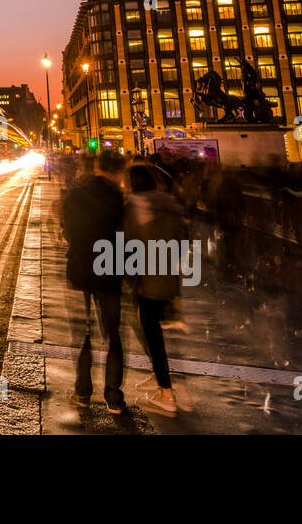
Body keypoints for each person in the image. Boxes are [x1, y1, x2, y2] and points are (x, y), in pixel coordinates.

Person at [63, 149, 127, 414]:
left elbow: (67, 231)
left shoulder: (75, 195)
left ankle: (82, 392)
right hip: (110, 270)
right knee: (113, 335)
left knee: (84, 333)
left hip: (80, 270)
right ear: (118, 171)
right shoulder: (121, 198)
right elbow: (127, 237)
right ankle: (113, 396)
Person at [124, 163, 187, 417]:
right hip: (169, 278)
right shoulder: (169, 203)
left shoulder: (134, 206)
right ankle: (160, 377)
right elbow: (183, 241)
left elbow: (126, 244)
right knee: (157, 333)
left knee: (151, 335)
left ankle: (166, 395)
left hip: (146, 280)